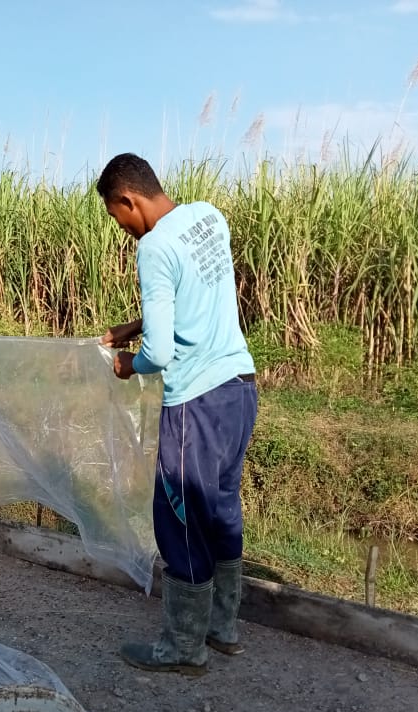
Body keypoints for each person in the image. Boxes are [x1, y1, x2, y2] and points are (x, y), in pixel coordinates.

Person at [97, 153, 258, 676]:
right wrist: (132, 325)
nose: (122, 231)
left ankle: (183, 649)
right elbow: (192, 295)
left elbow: (161, 354)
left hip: (196, 404)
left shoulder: (153, 247)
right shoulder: (209, 217)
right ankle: (223, 629)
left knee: (181, 519)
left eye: (117, 217)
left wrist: (129, 362)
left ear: (129, 200)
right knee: (222, 508)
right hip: (239, 389)